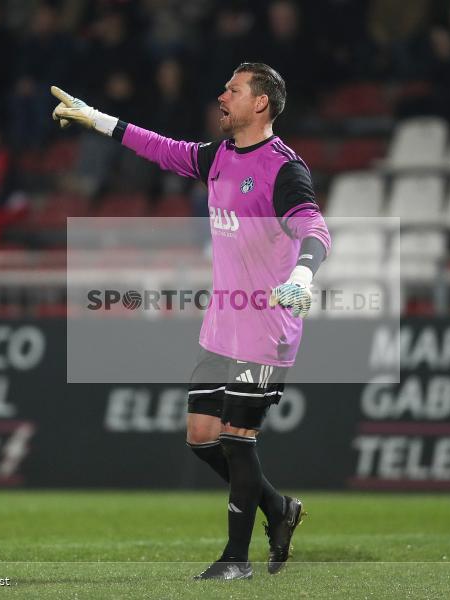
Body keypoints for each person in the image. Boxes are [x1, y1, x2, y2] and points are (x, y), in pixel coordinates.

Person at [51, 63, 331, 579]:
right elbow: (158, 146)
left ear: (261, 103)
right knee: (202, 437)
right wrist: (96, 119)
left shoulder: (283, 168)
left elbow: (315, 227)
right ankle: (279, 508)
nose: (221, 96)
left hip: (265, 328)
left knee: (237, 437)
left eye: (233, 89)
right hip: (222, 326)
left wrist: (304, 277)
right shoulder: (218, 157)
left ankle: (236, 559)